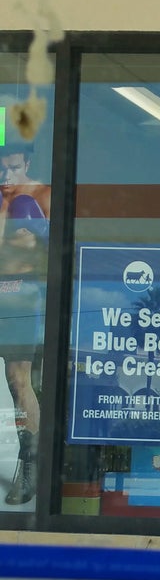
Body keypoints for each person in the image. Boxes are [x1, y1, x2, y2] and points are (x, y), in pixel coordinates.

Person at [0, 138, 50, 505]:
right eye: (2, 169)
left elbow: (30, 250)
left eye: (14, 168)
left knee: (19, 381)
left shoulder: (26, 204)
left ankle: (30, 464)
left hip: (19, 298)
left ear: (27, 166)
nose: (7, 176)